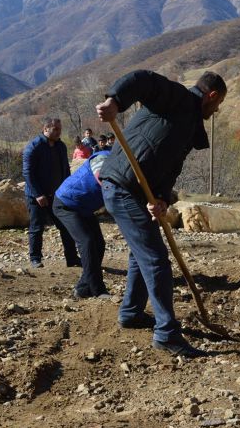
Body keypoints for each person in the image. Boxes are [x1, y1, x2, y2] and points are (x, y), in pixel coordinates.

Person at [96, 69, 226, 358]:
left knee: (141, 254)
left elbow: (170, 164)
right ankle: (167, 334)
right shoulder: (178, 98)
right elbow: (143, 80)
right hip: (121, 184)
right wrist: (116, 101)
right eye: (218, 105)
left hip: (133, 189)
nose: (217, 111)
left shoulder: (189, 122)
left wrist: (161, 198)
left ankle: (131, 312)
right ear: (212, 95)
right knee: (156, 260)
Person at [22, 118, 81, 268]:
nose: (58, 132)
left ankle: (72, 258)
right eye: (55, 129)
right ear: (46, 129)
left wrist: (68, 190)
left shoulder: (60, 146)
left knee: (66, 226)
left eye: (59, 129)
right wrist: (37, 194)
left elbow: (65, 170)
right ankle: (35, 258)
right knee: (37, 227)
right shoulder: (34, 147)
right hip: (37, 196)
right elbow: (27, 173)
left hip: (57, 195)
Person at [53, 149, 112, 299]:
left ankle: (83, 288)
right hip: (66, 203)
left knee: (98, 244)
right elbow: (101, 177)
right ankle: (98, 290)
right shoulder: (103, 157)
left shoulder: (123, 166)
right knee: (86, 241)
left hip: (84, 207)